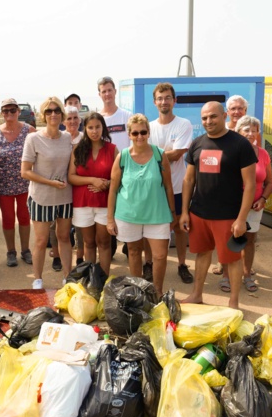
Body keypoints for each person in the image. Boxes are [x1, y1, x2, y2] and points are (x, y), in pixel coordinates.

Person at [180, 102, 257, 308]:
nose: (208, 121)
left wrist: (241, 219)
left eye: (213, 116)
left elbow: (250, 185)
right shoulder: (197, 143)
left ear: (224, 115)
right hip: (199, 213)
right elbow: (188, 180)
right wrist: (185, 212)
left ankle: (233, 302)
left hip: (228, 215)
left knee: (232, 259)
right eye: (204, 118)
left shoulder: (240, 144)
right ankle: (196, 294)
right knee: (202, 253)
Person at [107, 114, 174, 295]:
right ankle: (138, 291)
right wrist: (110, 220)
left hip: (158, 214)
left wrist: (172, 213)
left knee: (160, 256)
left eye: (143, 132)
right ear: (129, 134)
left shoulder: (160, 155)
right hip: (128, 215)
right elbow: (113, 189)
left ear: (148, 132)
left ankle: (157, 292)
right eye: (135, 133)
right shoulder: (123, 157)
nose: (139, 137)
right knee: (134, 252)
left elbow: (168, 187)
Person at [21, 97, 73, 289]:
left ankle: (68, 277)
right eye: (49, 111)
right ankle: (38, 279)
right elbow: (25, 171)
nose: (53, 114)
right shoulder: (33, 138)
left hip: (65, 197)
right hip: (40, 198)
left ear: (62, 114)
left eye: (57, 110)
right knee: (42, 241)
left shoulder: (68, 137)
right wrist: (50, 182)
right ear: (43, 115)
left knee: (65, 238)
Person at [146, 82, 194, 284]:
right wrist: (165, 153)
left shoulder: (183, 124)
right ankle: (148, 264)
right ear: (154, 102)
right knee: (149, 229)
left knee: (180, 228)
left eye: (167, 97)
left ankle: (182, 264)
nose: (163, 101)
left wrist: (154, 153)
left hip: (176, 186)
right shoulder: (148, 127)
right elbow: (143, 155)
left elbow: (178, 154)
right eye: (159, 98)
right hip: (153, 189)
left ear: (174, 101)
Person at [0, 98, 36, 268]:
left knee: (24, 217)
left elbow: (39, 153)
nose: (9, 114)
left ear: (18, 111)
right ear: (2, 113)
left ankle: (25, 250)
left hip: (25, 184)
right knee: (8, 219)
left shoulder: (29, 130)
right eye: (5, 111)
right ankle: (11, 252)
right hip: (4, 185)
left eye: (12, 110)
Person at [68, 113, 117, 274]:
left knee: (104, 242)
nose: (94, 131)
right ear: (85, 129)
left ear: (103, 128)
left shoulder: (112, 149)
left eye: (97, 127)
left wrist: (107, 183)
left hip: (104, 203)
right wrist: (93, 180)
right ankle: (91, 280)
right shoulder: (78, 149)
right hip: (82, 204)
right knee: (88, 243)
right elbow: (71, 177)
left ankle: (103, 280)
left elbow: (120, 178)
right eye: (90, 127)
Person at [235, 115, 272, 292]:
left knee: (249, 240)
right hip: (233, 205)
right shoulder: (231, 151)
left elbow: (270, 182)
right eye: (246, 130)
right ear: (238, 132)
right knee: (232, 240)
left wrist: (263, 199)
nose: (251, 133)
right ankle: (228, 276)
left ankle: (246, 274)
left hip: (255, 206)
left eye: (254, 130)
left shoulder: (263, 154)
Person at [213, 95, 250, 281]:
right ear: (227, 112)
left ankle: (244, 269)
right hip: (225, 193)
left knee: (244, 233)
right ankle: (223, 263)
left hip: (245, 193)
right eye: (233, 108)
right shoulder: (221, 131)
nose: (237, 112)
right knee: (224, 233)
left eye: (240, 108)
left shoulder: (249, 132)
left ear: (245, 110)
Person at [49, 105, 85, 269]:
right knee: (54, 224)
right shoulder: (59, 137)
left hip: (78, 187)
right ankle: (56, 255)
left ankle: (79, 257)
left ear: (80, 120)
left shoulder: (85, 139)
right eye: (69, 118)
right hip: (58, 187)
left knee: (79, 224)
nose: (72, 121)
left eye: (75, 118)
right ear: (64, 120)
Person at [98, 76, 132, 151]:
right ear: (99, 94)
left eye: (109, 90)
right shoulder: (97, 118)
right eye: (104, 91)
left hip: (124, 161)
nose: (107, 94)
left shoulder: (127, 115)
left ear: (115, 91)